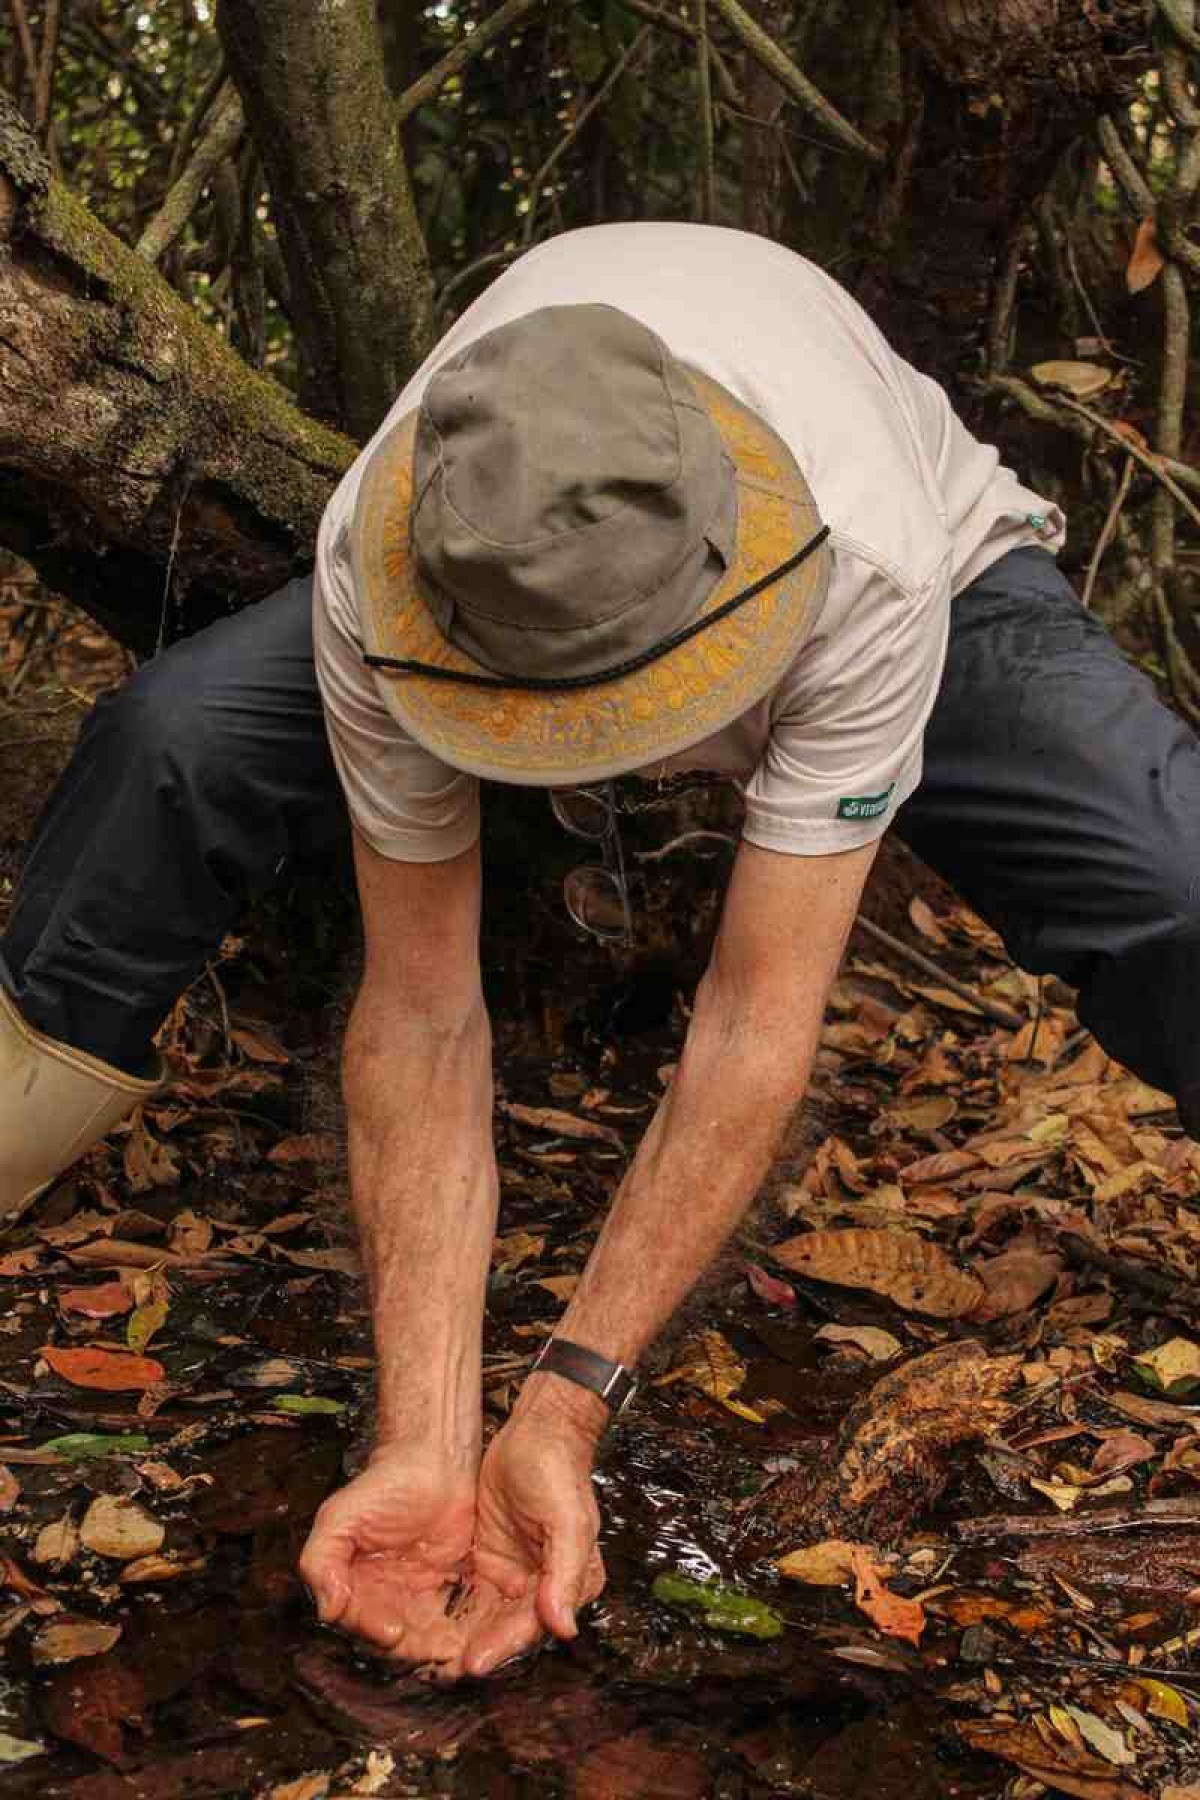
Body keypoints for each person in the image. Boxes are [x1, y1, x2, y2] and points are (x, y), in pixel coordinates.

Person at [3, 223, 1199, 1678]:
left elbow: (756, 1021)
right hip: (495, 633)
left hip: (924, 589)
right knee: (165, 739)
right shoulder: (378, 564)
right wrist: (424, 1438)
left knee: (1175, 877)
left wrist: (562, 1410)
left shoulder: (869, 556)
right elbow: (424, 1016)